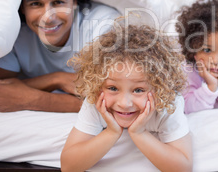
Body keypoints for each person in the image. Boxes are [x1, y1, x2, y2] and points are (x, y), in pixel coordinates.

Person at [60, 24, 192, 172]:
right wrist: (111, 132)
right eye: (113, 88)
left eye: (138, 90)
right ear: (98, 85)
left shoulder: (168, 103)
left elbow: (183, 167)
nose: (124, 103)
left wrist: (139, 133)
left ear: (160, 88)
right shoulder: (96, 101)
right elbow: (68, 166)